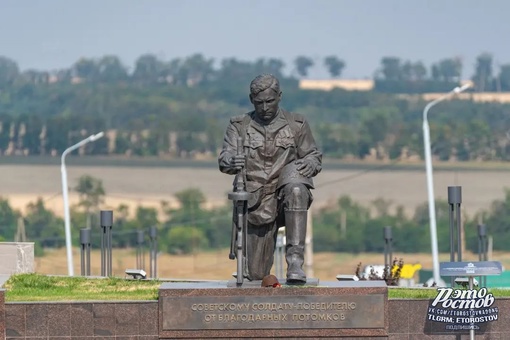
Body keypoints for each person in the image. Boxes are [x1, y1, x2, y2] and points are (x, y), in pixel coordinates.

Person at [218, 74, 322, 283]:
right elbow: (224, 158)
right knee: (257, 276)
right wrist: (232, 161)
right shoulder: (239, 126)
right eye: (259, 103)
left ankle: (295, 263)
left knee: (296, 189)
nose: (265, 107)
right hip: (257, 203)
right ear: (251, 100)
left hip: (285, 194)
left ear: (279, 97)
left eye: (269, 101)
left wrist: (311, 163)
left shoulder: (297, 125)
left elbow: (312, 154)